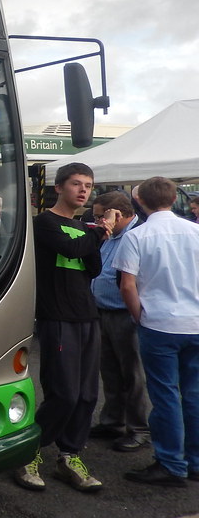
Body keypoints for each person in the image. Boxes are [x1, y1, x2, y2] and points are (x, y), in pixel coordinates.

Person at [13, 162, 116, 493]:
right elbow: (73, 249)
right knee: (64, 394)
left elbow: (93, 267)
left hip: (87, 316)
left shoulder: (85, 228)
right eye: (76, 184)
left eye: (88, 185)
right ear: (58, 188)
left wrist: (94, 235)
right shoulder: (43, 223)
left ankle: (70, 456)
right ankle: (26, 453)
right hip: (57, 317)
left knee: (87, 395)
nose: (84, 190)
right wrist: (99, 232)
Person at [115, 176, 199, 487]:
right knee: (193, 394)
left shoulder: (138, 236)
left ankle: (170, 463)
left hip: (160, 324)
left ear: (140, 201)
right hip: (196, 323)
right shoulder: (196, 231)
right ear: (174, 197)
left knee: (165, 396)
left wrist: (139, 316)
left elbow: (127, 285)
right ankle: (195, 461)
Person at [88, 191, 150, 452]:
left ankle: (139, 429)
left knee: (133, 375)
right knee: (110, 371)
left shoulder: (137, 237)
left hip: (126, 315)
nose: (97, 220)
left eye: (101, 215)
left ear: (118, 214)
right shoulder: (111, 236)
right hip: (104, 312)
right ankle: (113, 421)